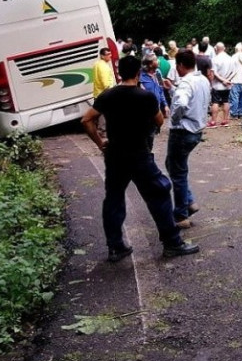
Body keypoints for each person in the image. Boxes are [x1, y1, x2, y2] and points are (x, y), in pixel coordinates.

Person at [80, 55, 200, 260]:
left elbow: (86, 119)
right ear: (138, 73)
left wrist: (101, 143)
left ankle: (116, 246)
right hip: (139, 154)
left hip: (115, 155)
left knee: (114, 199)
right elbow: (160, 121)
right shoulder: (145, 97)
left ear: (119, 72)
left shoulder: (108, 96)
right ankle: (172, 242)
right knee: (159, 193)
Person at [166, 49, 211, 229]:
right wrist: (172, 91)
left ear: (180, 66)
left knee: (177, 172)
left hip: (182, 131)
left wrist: (175, 119)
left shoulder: (186, 82)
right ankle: (189, 201)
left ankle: (181, 214)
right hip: (196, 130)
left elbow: (182, 103)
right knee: (175, 167)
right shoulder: (202, 80)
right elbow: (189, 99)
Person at [140, 54, 169, 150]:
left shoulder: (158, 73)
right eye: (156, 60)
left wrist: (165, 105)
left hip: (157, 110)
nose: (159, 61)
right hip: (144, 112)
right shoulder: (140, 76)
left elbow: (161, 90)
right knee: (146, 136)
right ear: (150, 64)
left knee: (151, 136)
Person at [209, 42, 234, 128]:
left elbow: (214, 73)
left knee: (215, 102)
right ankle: (225, 120)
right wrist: (227, 80)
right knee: (226, 101)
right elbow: (234, 72)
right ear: (224, 48)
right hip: (227, 85)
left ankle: (213, 121)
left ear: (216, 49)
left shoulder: (214, 59)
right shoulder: (230, 58)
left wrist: (222, 80)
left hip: (217, 85)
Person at [229, 43, 242, 119]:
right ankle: (241, 113)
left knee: (234, 97)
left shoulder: (233, 57)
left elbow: (231, 69)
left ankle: (234, 113)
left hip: (235, 80)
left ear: (236, 49)